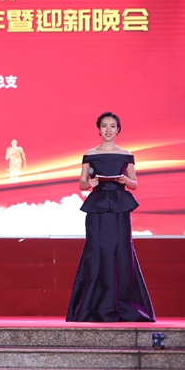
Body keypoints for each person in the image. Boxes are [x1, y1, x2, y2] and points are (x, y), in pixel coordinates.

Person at [66, 111, 155, 322]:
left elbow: (134, 184)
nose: (108, 130)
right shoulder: (90, 155)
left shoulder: (126, 155)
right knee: (96, 252)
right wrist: (90, 183)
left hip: (119, 208)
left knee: (121, 251)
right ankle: (91, 307)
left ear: (118, 129)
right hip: (97, 209)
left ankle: (123, 306)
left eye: (112, 126)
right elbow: (81, 184)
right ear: (98, 129)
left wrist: (125, 181)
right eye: (104, 126)